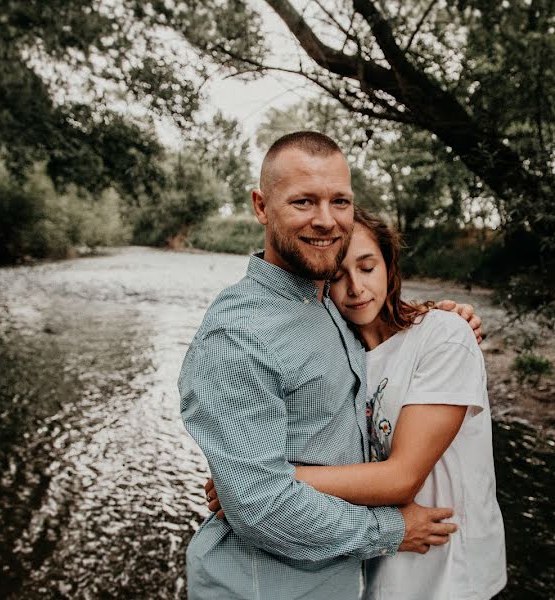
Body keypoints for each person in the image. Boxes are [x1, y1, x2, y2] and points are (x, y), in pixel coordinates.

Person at [179, 131, 482, 600]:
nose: (326, 220)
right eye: (303, 202)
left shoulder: (325, 299)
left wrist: (440, 320)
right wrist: (390, 531)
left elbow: (379, 327)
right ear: (261, 207)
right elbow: (262, 506)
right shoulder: (236, 336)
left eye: (339, 201)